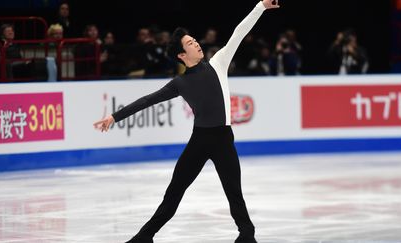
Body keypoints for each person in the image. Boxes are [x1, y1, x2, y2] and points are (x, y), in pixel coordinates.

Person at [93, 1, 280, 242]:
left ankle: (247, 235)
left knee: (234, 193)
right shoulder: (179, 83)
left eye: (195, 40)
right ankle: (144, 236)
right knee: (173, 193)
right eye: (190, 43)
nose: (197, 43)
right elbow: (147, 100)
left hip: (223, 139)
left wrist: (260, 6)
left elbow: (239, 32)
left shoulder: (218, 63)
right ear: (182, 55)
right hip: (199, 141)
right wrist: (114, 116)